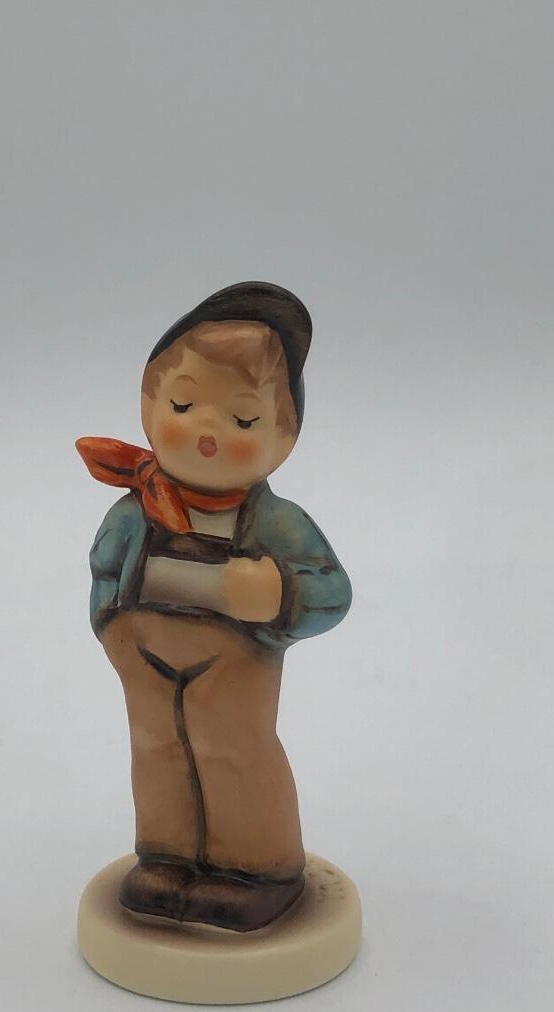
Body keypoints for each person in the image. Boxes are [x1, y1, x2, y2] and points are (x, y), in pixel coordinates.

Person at [76, 282, 351, 931]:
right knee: (158, 748)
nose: (207, 431)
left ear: (285, 435)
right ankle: (167, 857)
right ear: (148, 404)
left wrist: (279, 593)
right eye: (182, 404)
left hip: (236, 661)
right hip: (145, 656)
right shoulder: (134, 513)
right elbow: (105, 569)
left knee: (231, 751)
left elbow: (332, 591)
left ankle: (257, 867)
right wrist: (114, 626)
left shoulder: (278, 524)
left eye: (243, 420)